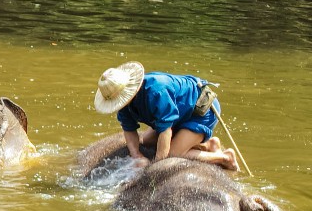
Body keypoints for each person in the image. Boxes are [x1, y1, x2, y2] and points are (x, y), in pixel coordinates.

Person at [94, 62, 239, 171]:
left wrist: (156, 165)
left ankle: (225, 157)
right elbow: (129, 128)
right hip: (178, 113)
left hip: (200, 112)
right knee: (147, 140)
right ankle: (207, 146)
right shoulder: (124, 104)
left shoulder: (156, 92)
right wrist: (136, 155)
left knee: (172, 155)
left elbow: (165, 130)